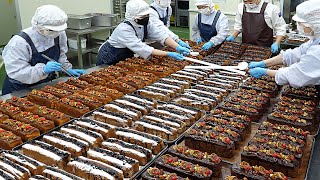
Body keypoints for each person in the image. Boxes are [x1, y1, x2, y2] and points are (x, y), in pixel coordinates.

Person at [2, 5, 85, 95]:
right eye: (51, 30)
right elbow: (17, 72)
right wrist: (43, 70)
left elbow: (61, 55)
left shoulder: (59, 34)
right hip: (20, 88)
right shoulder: (19, 43)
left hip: (44, 84)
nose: (55, 33)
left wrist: (66, 68)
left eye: (58, 30)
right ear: (39, 26)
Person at [248, 0, 320, 96]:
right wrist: (264, 63)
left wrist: (265, 72)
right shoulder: (316, 39)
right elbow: (296, 53)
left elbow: (297, 75)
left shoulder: (318, 51)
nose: (299, 26)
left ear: (313, 24)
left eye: (300, 23)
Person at [97, 0, 190, 66]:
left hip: (125, 55)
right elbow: (143, 49)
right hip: (109, 57)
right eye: (143, 16)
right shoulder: (124, 30)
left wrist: (177, 46)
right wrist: (168, 54)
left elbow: (161, 35)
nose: (146, 18)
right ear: (133, 17)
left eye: (147, 15)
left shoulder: (146, 23)